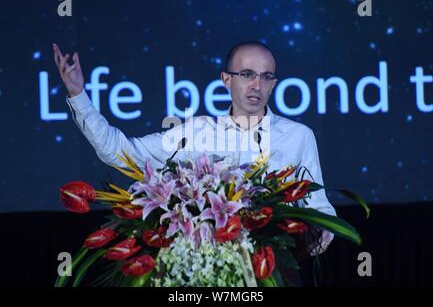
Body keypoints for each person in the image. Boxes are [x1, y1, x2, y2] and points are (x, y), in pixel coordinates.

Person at [53, 41, 336, 259]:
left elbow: (319, 208)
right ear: (226, 79)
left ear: (274, 83)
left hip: (275, 269)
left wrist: (320, 236)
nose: (256, 85)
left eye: (266, 76)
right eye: (247, 74)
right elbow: (119, 152)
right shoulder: (196, 132)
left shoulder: (298, 136)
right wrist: (79, 96)